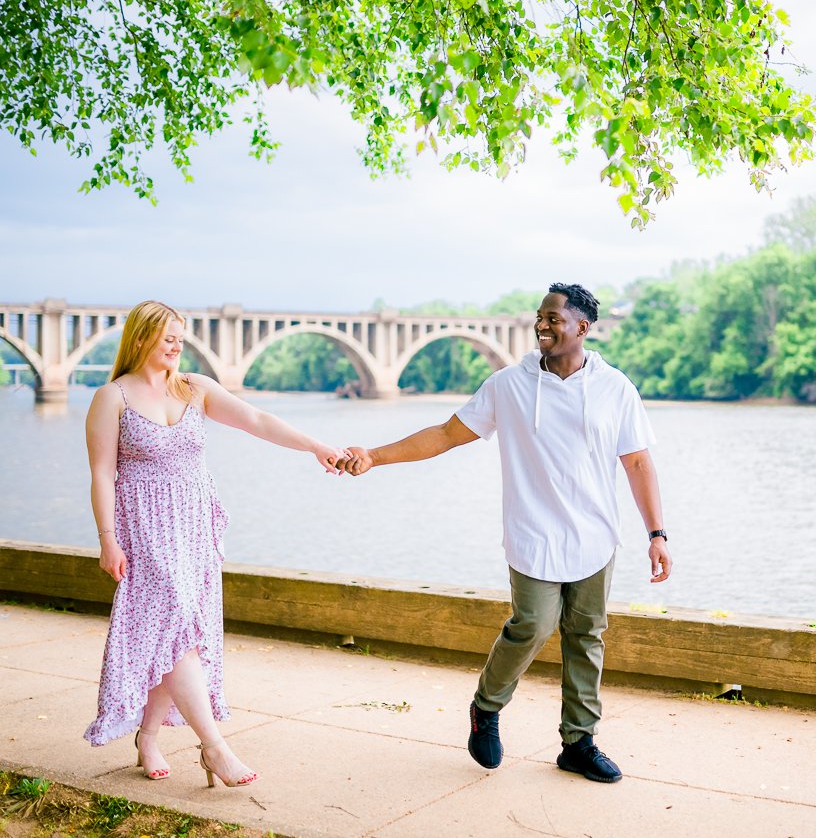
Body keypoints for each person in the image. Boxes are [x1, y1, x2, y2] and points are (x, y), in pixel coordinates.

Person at [342, 283, 671, 784]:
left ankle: (579, 742)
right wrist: (375, 455)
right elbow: (446, 435)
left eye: (554, 318)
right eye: (539, 316)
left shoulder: (616, 388)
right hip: (532, 533)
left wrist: (657, 532)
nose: (542, 324)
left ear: (583, 328)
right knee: (533, 626)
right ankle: (486, 707)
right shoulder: (508, 385)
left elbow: (638, 462)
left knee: (587, 637)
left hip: (596, 536)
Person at [82, 300, 349, 787]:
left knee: (181, 631)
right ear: (141, 338)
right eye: (168, 338)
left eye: (181, 337)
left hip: (195, 527)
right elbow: (101, 473)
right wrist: (107, 539)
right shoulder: (111, 398)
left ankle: (147, 736)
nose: (178, 346)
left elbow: (258, 420)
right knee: (175, 623)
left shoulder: (195, 388)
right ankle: (215, 748)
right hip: (144, 531)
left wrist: (316, 446)